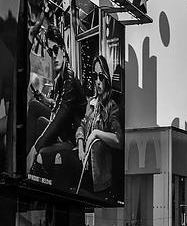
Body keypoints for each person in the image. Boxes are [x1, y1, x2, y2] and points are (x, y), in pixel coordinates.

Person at [26, 25, 86, 183]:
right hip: (63, 130)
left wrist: (36, 147)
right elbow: (59, 107)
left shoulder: (70, 80)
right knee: (34, 107)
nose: (53, 56)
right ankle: (24, 159)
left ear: (64, 50)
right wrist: (46, 101)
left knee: (40, 148)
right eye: (50, 52)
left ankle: (28, 161)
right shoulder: (60, 78)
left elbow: (61, 115)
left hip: (71, 138)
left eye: (56, 49)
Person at [75, 54, 122, 197]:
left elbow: (119, 140)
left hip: (100, 176)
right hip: (84, 169)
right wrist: (81, 144)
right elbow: (81, 126)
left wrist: (96, 133)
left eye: (101, 77)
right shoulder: (91, 102)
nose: (97, 82)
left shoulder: (111, 106)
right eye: (95, 77)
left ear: (106, 78)